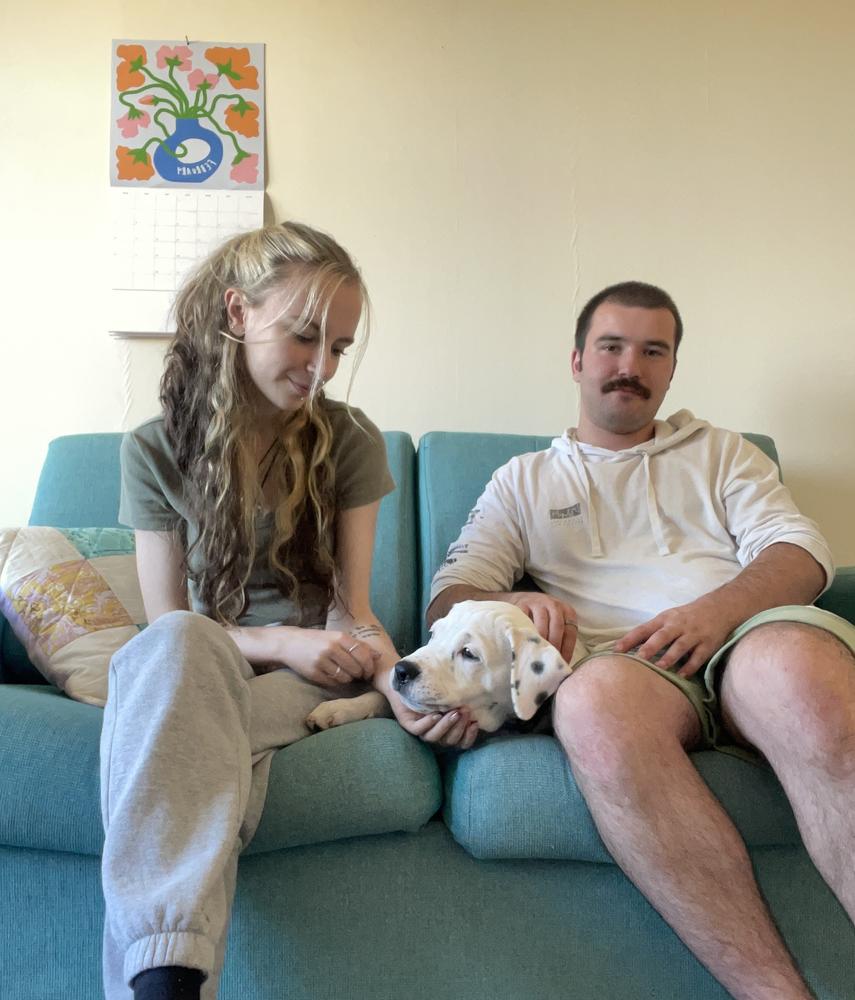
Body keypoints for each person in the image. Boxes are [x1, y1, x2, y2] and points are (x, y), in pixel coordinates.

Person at [426, 281, 855, 1000]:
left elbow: (800, 555)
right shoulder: (522, 480)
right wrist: (512, 598)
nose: (630, 365)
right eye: (611, 347)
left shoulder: (723, 454)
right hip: (633, 669)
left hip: (744, 633)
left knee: (796, 675)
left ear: (671, 367)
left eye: (652, 350)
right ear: (576, 362)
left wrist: (714, 614)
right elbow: (451, 596)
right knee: (591, 705)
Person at [101, 222, 404, 1000]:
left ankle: (162, 985)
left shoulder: (350, 439)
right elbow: (167, 624)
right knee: (178, 654)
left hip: (313, 676)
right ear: (237, 313)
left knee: (171, 735)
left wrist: (350, 651)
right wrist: (276, 640)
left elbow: (354, 612)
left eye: (339, 346)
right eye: (305, 336)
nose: (322, 367)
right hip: (208, 661)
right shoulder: (153, 449)